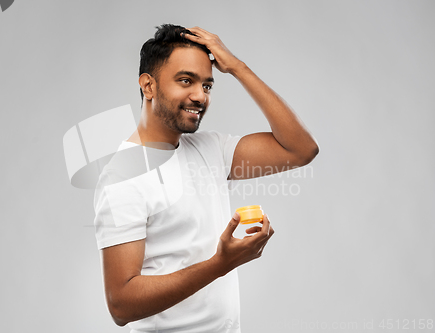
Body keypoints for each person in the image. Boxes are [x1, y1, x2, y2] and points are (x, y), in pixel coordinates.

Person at [94, 24, 319, 332]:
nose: (200, 96)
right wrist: (220, 265)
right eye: (186, 80)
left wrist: (239, 68)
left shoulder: (210, 148)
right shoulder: (122, 178)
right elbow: (121, 305)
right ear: (149, 86)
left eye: (208, 85)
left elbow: (301, 149)